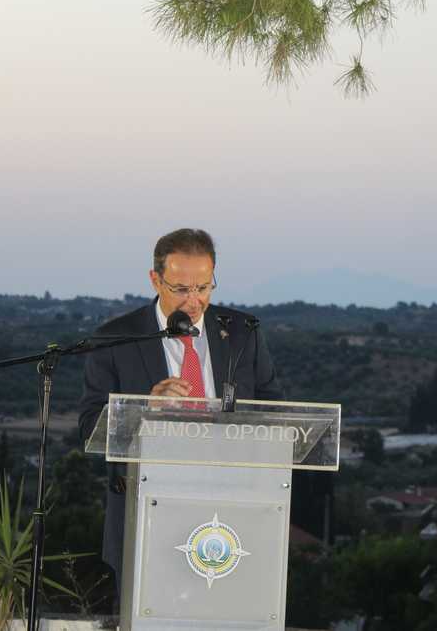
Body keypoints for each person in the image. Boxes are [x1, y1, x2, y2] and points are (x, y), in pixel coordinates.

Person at [77, 228, 283, 599]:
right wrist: (145, 408)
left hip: (233, 513)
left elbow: (273, 413)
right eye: (182, 289)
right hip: (147, 513)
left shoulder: (242, 332)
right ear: (155, 280)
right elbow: (90, 430)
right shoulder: (114, 339)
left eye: (203, 287)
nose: (194, 301)